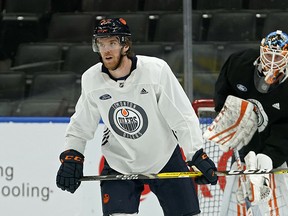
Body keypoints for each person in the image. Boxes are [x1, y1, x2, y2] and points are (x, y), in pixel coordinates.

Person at [56, 18, 218, 216]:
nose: (106, 50)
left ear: (125, 44)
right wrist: (72, 155)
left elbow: (182, 117)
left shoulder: (155, 71)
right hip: (119, 162)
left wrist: (195, 154)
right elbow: (80, 125)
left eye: (112, 43)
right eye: (101, 44)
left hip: (164, 158)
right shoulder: (91, 79)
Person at [214, 30, 288, 215]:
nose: (271, 61)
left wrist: (270, 157)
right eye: (268, 54)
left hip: (280, 152)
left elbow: (285, 131)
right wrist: (229, 122)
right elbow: (223, 93)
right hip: (247, 145)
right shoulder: (239, 63)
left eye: (277, 57)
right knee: (237, 200)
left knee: (278, 203)